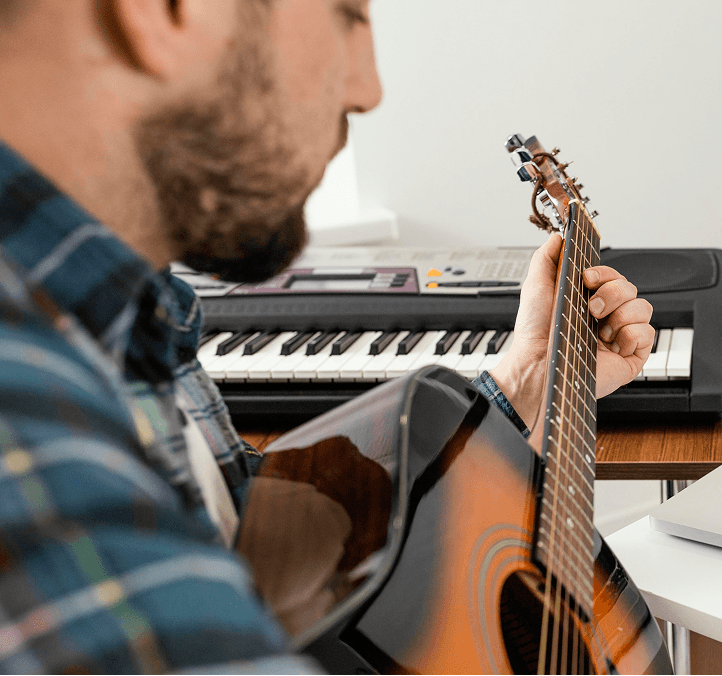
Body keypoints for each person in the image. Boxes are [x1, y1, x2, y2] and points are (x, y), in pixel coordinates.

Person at [0, 0, 654, 672]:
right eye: (347, 15)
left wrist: (527, 377)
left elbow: (257, 534)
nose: (367, 90)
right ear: (162, 11)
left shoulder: (123, 309)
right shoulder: (26, 418)